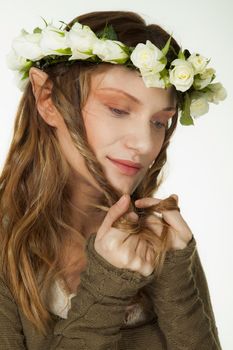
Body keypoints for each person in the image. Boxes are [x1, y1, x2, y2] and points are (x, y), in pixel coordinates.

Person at [0, 10, 225, 349]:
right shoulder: (7, 249)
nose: (145, 144)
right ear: (46, 98)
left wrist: (176, 280)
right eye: (118, 110)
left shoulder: (165, 243)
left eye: (160, 122)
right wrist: (107, 286)